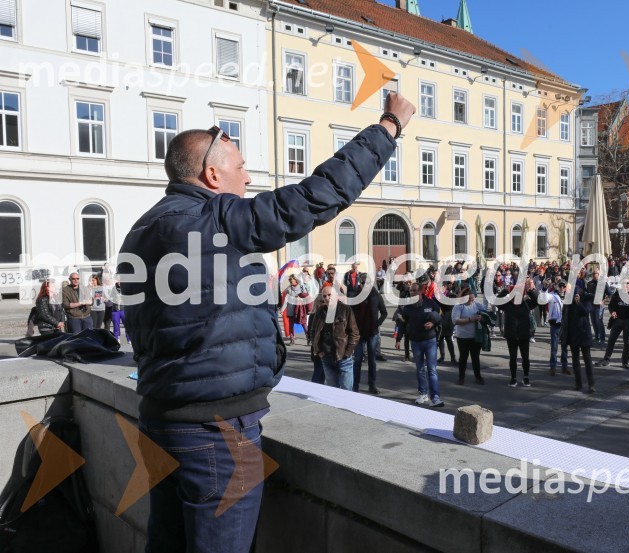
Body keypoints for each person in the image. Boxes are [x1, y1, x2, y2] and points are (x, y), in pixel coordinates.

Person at [119, 93, 414, 552]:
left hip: (160, 417)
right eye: (240, 167)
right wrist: (389, 126)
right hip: (215, 431)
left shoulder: (141, 228)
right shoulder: (214, 217)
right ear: (211, 175)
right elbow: (318, 196)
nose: (249, 176)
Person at [395, 281, 444, 407]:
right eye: (411, 291)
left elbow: (440, 315)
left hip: (430, 340)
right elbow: (402, 323)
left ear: (421, 291)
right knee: (420, 369)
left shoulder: (430, 303)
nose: (413, 293)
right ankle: (423, 393)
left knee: (432, 370)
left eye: (415, 290)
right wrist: (398, 339)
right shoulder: (408, 307)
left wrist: (433, 323)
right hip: (415, 342)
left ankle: (435, 397)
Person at [310, 284, 360, 390]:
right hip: (326, 357)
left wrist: (347, 352)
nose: (327, 298)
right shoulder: (320, 311)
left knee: (347, 391)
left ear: (336, 296)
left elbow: (354, 334)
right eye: (324, 296)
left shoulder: (346, 310)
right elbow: (313, 332)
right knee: (333, 391)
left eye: (329, 295)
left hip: (343, 357)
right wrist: (319, 351)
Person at [497, 278, 538, 387]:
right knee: (513, 358)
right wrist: (505, 290)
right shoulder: (507, 305)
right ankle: (513, 378)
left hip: (524, 335)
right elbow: (497, 301)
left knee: (525, 358)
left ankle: (526, 377)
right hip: (511, 335)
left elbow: (536, 301)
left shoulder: (526, 304)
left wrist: (529, 290)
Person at [352, 273, 387, 394]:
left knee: (372, 361)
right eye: (363, 283)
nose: (365, 285)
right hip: (359, 333)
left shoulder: (376, 296)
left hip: (372, 332)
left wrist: (377, 323)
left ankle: (372, 385)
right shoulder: (356, 296)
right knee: (357, 360)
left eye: (367, 283)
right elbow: (351, 313)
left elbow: (384, 312)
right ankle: (355, 385)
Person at [596, 281, 629, 369]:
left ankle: (625, 362)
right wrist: (613, 311)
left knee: (627, 342)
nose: (625, 285)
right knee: (611, 340)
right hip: (618, 320)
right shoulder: (618, 293)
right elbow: (611, 305)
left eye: (627, 283)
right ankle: (606, 359)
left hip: (628, 322)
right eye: (623, 284)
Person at [452, 287, 488, 385]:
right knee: (463, 357)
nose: (471, 301)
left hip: (475, 336)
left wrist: (482, 316)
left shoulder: (476, 304)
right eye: (469, 299)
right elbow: (455, 320)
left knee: (475, 357)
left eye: (472, 298)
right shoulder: (459, 306)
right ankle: (461, 377)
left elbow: (486, 313)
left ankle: (478, 376)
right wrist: (470, 319)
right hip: (462, 336)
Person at [562, 286, 595, 393]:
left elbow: (586, 311)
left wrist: (579, 303)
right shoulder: (568, 300)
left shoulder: (587, 298)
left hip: (584, 333)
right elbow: (565, 315)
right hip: (572, 333)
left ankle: (591, 384)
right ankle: (578, 383)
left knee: (587, 359)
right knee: (575, 360)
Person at [283, 274, 311, 345]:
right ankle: (292, 340)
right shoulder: (289, 288)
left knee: (304, 324)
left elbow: (306, 296)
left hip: (300, 309)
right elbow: (286, 299)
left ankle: (309, 338)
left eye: (291, 280)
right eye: (289, 280)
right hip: (291, 308)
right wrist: (282, 309)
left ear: (295, 280)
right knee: (291, 325)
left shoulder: (302, 287)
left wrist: (300, 298)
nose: (290, 282)